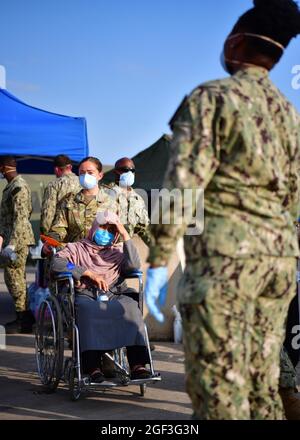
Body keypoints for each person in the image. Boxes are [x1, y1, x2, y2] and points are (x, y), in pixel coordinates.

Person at [145, 0, 300, 420]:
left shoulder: (211, 97)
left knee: (220, 395)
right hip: (278, 265)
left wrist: (158, 261)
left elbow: (181, 187)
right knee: (262, 386)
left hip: (225, 265)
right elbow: (293, 200)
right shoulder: (288, 114)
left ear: (235, 44)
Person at [50, 210, 151, 382]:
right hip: (86, 293)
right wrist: (86, 272)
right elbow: (57, 263)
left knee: (131, 309)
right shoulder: (77, 248)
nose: (107, 233)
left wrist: (125, 234)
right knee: (88, 311)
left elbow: (134, 265)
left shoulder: (117, 253)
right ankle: (92, 367)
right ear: (94, 227)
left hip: (113, 293)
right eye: (103, 228)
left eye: (112, 231)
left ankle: (137, 365)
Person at [43, 156, 117, 250]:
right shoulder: (69, 201)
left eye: (90, 173)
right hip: (75, 256)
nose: (86, 176)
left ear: (100, 175)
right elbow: (59, 227)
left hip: (102, 256)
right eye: (82, 173)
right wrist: (52, 240)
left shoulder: (110, 202)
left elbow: (118, 232)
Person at [0, 156, 35, 333]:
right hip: (12, 238)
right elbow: (7, 219)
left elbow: (20, 218)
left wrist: (11, 245)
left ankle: (23, 319)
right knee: (14, 278)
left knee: (15, 279)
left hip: (18, 240)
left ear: (4, 168)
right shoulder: (11, 186)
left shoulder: (18, 187)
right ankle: (24, 316)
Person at [104, 157, 151, 245]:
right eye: (125, 170)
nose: (129, 173)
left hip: (124, 252)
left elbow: (143, 229)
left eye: (132, 170)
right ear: (115, 172)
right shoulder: (104, 194)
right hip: (103, 251)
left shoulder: (138, 199)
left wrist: (157, 250)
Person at [40, 154, 81, 235]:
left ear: (56, 169)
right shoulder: (83, 182)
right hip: (80, 231)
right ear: (71, 167)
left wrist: (45, 233)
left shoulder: (54, 185)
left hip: (60, 232)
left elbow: (48, 212)